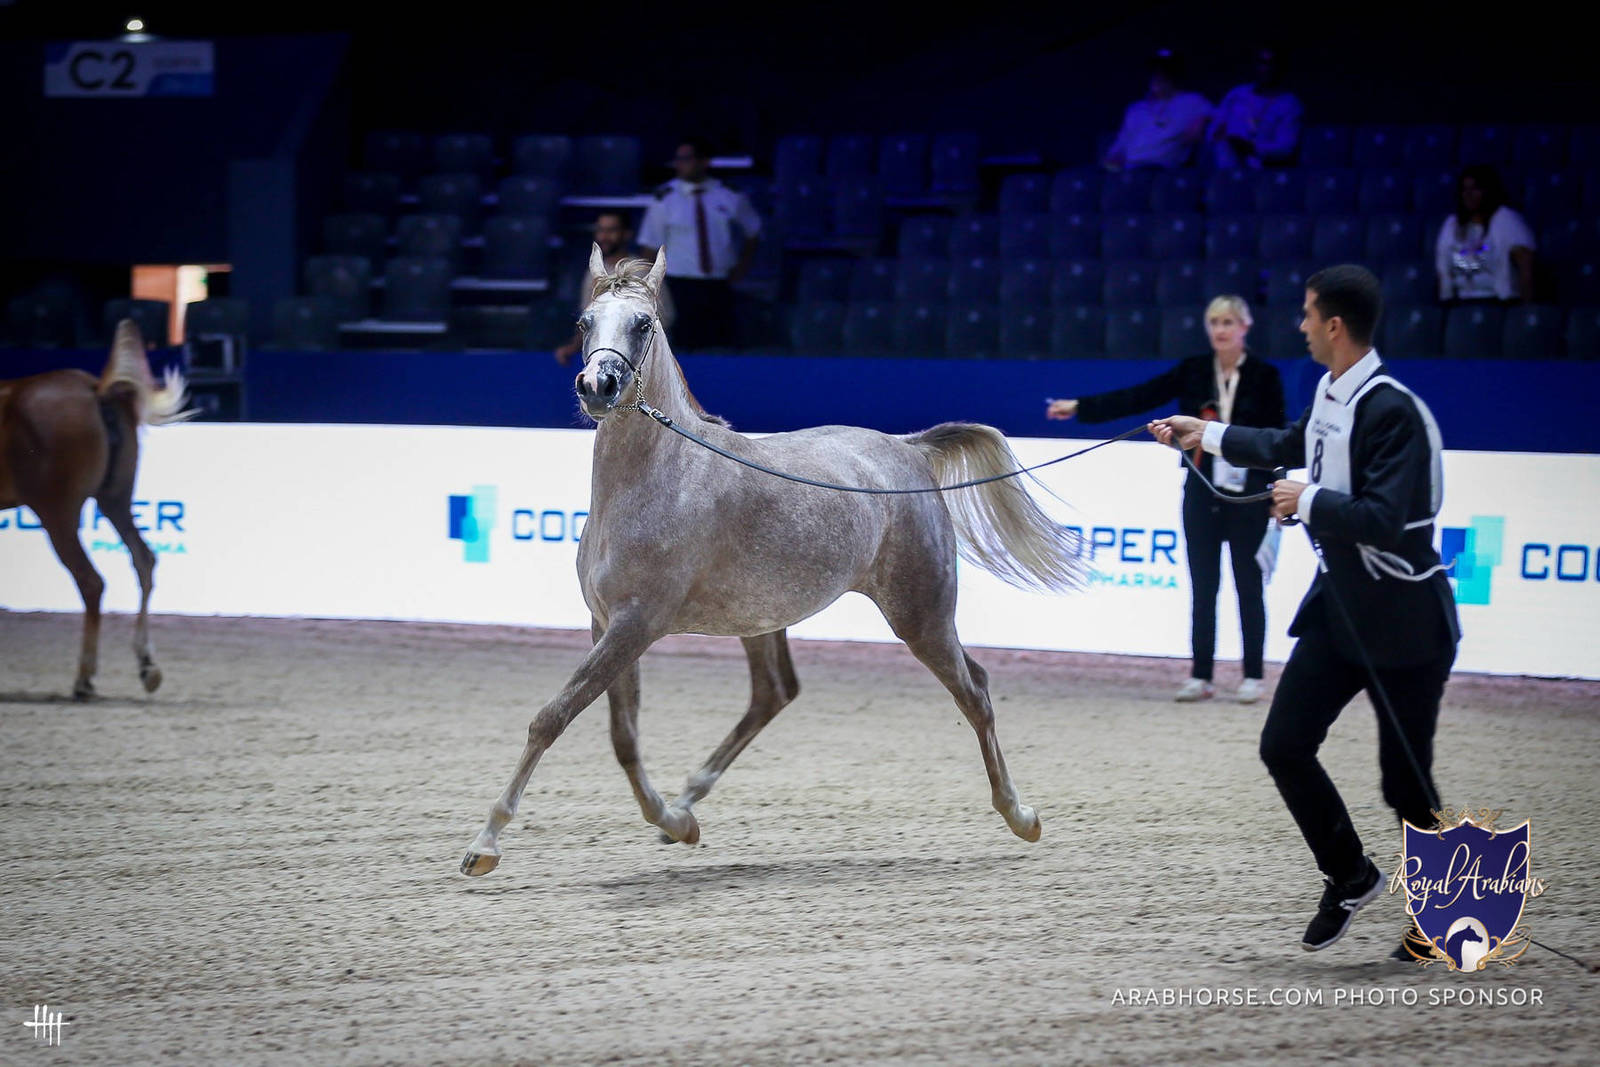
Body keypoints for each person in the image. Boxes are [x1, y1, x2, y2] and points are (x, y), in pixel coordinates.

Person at [1151, 264, 1460, 959]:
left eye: (1308, 314)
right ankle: (1350, 875)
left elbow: (1386, 518)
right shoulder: (1330, 391)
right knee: (1284, 745)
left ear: (1335, 326)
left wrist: (1307, 499)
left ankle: (1450, 914)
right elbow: (1289, 444)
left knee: (1405, 783)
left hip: (1405, 620)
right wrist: (1205, 435)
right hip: (1342, 608)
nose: (1300, 326)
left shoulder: (1393, 410)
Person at [1047, 295, 1285, 703]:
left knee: (1249, 585)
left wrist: (1277, 491)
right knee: (1203, 586)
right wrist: (1081, 407)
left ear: (1245, 327)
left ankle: (1252, 675)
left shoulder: (1265, 376)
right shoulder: (1194, 370)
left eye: (1228, 322)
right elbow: (1142, 396)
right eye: (1214, 322)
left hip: (1249, 495)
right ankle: (1201, 674)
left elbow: (1278, 438)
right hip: (1201, 491)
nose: (1221, 330)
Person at [637, 139, 762, 350]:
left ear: (704, 162)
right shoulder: (664, 198)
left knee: (721, 344)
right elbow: (650, 245)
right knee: (684, 345)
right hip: (679, 284)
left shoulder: (729, 195)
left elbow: (753, 230)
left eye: (686, 159)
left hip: (720, 282)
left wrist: (743, 266)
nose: (680, 164)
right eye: (678, 159)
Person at [555, 212, 673, 365]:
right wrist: (573, 347)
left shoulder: (641, 270)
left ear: (626, 234)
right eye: (601, 230)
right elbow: (588, 319)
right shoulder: (593, 272)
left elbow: (663, 319)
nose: (604, 237)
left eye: (611, 231)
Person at [1433, 165, 1536, 304]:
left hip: (1498, 302)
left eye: (1475, 189)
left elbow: (1526, 267)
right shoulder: (1451, 224)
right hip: (1461, 303)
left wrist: (1526, 309)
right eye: (1464, 189)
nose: (1468, 195)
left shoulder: (1506, 220)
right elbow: (1443, 271)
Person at [1102, 50, 1214, 171]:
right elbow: (1120, 145)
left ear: (1176, 75)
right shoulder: (1136, 109)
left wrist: (1202, 121)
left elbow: (1217, 117)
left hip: (1163, 171)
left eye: (1165, 71)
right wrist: (1112, 160)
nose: (1158, 76)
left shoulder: (1192, 101)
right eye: (1155, 71)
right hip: (1130, 170)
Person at [1209, 47, 1302, 169]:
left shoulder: (1289, 104)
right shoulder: (1237, 94)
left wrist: (1251, 147)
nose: (1266, 69)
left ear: (1280, 67)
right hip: (1228, 160)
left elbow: (1286, 148)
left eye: (1271, 64)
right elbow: (1214, 129)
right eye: (1262, 63)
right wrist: (1220, 133)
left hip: (1265, 169)